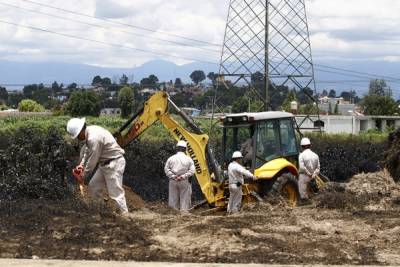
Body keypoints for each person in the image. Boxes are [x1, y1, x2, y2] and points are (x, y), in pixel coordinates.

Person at [67, 118, 129, 214]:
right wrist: (81, 165)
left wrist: (83, 176)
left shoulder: (93, 138)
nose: (77, 139)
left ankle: (125, 216)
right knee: (94, 186)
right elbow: (88, 151)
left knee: (115, 193)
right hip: (105, 164)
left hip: (114, 164)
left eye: (77, 136)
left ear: (80, 131)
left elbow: (92, 160)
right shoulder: (90, 131)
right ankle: (99, 210)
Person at [164, 140, 195, 213]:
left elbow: (166, 169)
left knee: (173, 198)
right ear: (185, 149)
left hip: (173, 181)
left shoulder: (171, 158)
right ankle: (183, 214)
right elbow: (192, 171)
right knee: (184, 198)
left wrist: (173, 176)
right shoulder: (189, 159)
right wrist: (183, 176)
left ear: (177, 148)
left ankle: (173, 214)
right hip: (184, 181)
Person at [298, 137, 320, 205]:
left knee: (303, 195)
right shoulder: (316, 155)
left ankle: (305, 203)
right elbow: (318, 168)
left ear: (302, 146)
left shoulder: (301, 155)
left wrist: (308, 173)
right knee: (312, 193)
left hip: (304, 176)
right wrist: (313, 175)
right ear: (310, 145)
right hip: (313, 177)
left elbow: (302, 168)